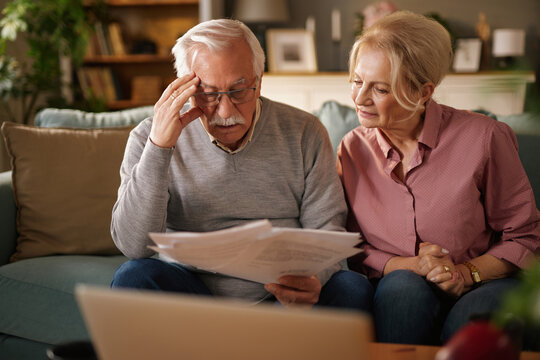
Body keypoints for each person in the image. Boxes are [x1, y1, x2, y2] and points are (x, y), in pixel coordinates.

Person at [110, 18, 373, 312]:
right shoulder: (149, 137)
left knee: (351, 287)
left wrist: (313, 279)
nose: (225, 112)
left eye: (238, 91)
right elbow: (133, 247)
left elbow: (327, 232)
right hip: (191, 300)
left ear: (258, 83)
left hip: (281, 300)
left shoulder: (305, 132)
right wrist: (159, 148)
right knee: (133, 277)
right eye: (208, 94)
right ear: (185, 88)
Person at [338, 10, 540, 347]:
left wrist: (466, 272)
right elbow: (350, 244)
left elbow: (526, 237)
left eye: (380, 89)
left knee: (472, 320)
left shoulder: (485, 138)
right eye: (357, 82)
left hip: (485, 278)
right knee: (401, 294)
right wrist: (411, 264)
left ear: (422, 92)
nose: (359, 99)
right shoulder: (352, 148)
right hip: (399, 279)